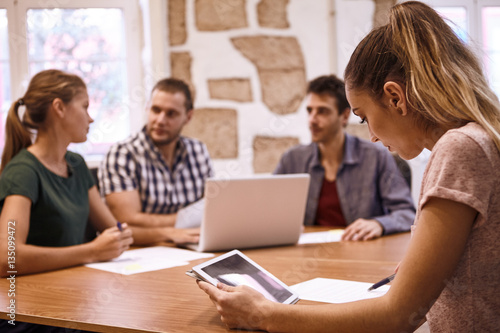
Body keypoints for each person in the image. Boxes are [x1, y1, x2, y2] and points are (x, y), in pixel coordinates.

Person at [197, 1, 500, 331]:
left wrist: (262, 314)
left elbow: (396, 316)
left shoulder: (459, 148)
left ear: (395, 98)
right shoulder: (481, 137)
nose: (370, 135)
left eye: (364, 116)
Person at [0, 69, 134, 332]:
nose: (91, 117)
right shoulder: (23, 171)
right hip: (35, 315)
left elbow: (113, 229)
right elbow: (7, 256)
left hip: (75, 300)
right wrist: (93, 251)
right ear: (59, 108)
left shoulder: (77, 164)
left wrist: (121, 236)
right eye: (85, 106)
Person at [274, 75, 415, 240]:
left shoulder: (375, 157)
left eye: (322, 111)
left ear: (345, 116)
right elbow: (269, 208)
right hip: (307, 252)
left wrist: (379, 224)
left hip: (359, 250)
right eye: (309, 110)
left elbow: (407, 214)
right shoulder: (292, 159)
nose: (312, 120)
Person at [99, 78, 212, 244]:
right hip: (141, 251)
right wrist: (183, 223)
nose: (160, 120)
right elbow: (125, 220)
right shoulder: (122, 154)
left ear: (188, 117)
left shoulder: (198, 150)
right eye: (156, 110)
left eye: (171, 113)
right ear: (147, 108)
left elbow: (211, 210)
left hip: (190, 244)